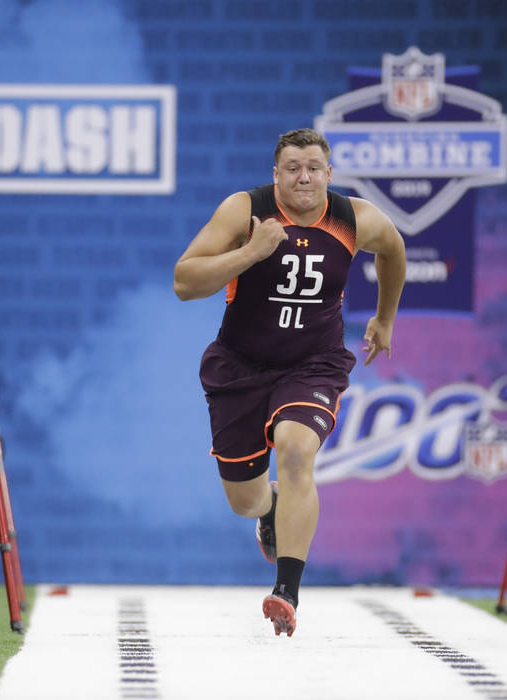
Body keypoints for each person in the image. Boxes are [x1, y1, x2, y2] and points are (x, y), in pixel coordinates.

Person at [173, 128, 406, 637]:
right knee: (245, 501)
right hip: (240, 366)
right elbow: (185, 282)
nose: (304, 176)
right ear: (275, 174)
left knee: (296, 449)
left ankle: (287, 591)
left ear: (329, 173)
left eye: (314, 167)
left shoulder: (355, 218)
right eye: (293, 167)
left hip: (313, 365)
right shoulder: (245, 210)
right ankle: (271, 508)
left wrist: (385, 318)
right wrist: (250, 253)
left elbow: (393, 249)